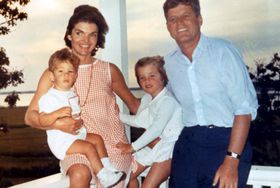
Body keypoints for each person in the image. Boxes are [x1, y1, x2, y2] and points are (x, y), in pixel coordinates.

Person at [24, 5, 140, 188]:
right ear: (69, 35)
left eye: (92, 34)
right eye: (79, 33)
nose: (85, 40)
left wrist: (163, 123)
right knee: (79, 173)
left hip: (112, 146)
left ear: (98, 38)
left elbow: (135, 106)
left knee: (116, 177)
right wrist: (56, 123)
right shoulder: (54, 73)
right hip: (76, 142)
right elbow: (30, 117)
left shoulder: (109, 70)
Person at [163, 0, 258, 187]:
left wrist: (231, 160)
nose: (179, 23)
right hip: (189, 144)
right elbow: (168, 103)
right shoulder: (169, 63)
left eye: (186, 16)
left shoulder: (223, 52)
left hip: (227, 142)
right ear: (168, 27)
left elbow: (244, 110)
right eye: (173, 19)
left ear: (199, 19)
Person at [38, 48, 124, 187]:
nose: (66, 75)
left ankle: (108, 168)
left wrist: (78, 122)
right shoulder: (50, 97)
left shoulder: (70, 92)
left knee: (97, 139)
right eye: (60, 71)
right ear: (52, 76)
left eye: (70, 72)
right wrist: (56, 114)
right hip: (62, 141)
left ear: (75, 76)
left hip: (76, 135)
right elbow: (42, 120)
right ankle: (103, 176)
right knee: (89, 147)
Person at [116, 56, 183, 188]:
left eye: (152, 75)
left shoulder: (167, 101)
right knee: (127, 176)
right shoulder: (147, 98)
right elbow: (139, 120)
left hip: (168, 150)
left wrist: (132, 147)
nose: (147, 80)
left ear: (163, 77)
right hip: (152, 147)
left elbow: (156, 128)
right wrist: (116, 115)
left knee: (148, 186)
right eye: (142, 78)